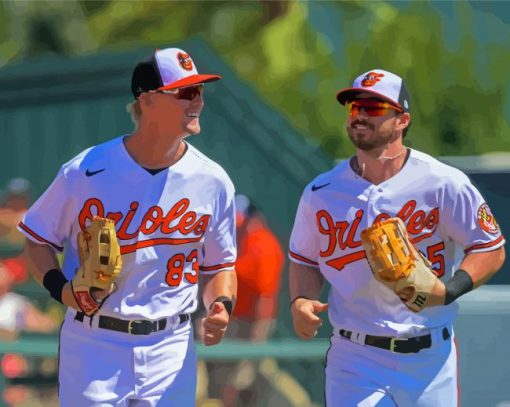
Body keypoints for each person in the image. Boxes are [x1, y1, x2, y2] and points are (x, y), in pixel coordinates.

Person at [19, 47, 238, 406]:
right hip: (95, 344)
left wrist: (221, 305)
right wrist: (62, 290)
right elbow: (37, 239)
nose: (197, 101)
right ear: (148, 101)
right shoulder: (86, 171)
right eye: (185, 92)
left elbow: (221, 265)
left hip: (171, 344)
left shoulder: (212, 181)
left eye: (199, 91)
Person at [288, 69, 506, 406]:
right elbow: (304, 260)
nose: (360, 114)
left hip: (429, 356)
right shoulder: (322, 192)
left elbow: (490, 248)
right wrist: (300, 300)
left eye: (374, 108)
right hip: (355, 356)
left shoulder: (442, 182)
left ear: (402, 120)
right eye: (354, 107)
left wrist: (449, 290)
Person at [207, 194, 284, 407]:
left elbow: (265, 299)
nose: (237, 227)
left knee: (241, 379)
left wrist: (256, 340)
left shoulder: (263, 246)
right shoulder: (234, 241)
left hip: (254, 322)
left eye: (241, 223)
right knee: (221, 376)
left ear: (254, 219)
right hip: (233, 318)